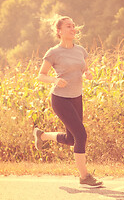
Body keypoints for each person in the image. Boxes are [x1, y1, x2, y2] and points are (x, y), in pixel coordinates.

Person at [34, 15, 103, 187]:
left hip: (76, 97)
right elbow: (41, 75)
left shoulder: (80, 50)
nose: (72, 29)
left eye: (73, 26)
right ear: (59, 31)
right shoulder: (53, 52)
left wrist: (88, 74)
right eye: (68, 27)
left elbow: (85, 69)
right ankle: (84, 176)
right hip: (60, 99)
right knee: (81, 135)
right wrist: (55, 80)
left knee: (72, 139)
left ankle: (42, 135)